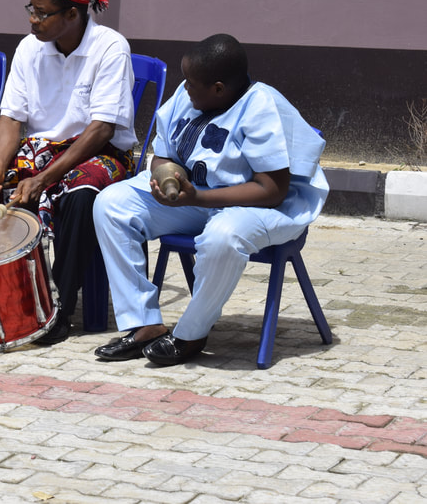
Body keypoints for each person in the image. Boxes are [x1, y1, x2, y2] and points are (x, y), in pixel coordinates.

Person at [92, 34, 329, 365]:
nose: (184, 88)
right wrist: (165, 178)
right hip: (196, 199)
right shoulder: (188, 95)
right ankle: (144, 324)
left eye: (191, 83)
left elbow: (272, 189)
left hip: (263, 206)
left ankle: (191, 335)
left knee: (223, 236)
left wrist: (196, 197)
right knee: (111, 204)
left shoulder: (261, 106)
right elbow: (163, 155)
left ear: (218, 88)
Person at [0, 0, 137, 344]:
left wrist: (43, 178)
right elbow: (9, 117)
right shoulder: (29, 48)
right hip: (38, 150)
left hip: (98, 150)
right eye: (30, 9)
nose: (32, 19)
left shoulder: (110, 47)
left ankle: (60, 308)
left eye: (41, 12)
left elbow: (101, 128)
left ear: (72, 14)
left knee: (81, 193)